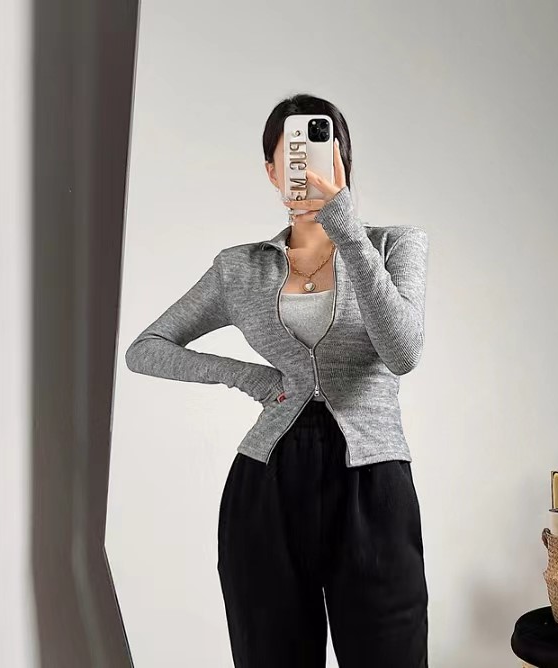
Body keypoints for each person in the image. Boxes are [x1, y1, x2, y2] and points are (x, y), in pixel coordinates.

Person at [125, 93, 430, 668]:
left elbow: (403, 351)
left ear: (342, 162)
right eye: (288, 156)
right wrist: (248, 377)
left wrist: (345, 229)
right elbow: (146, 349)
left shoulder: (393, 245)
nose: (303, 166)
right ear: (270, 170)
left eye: (319, 151)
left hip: (373, 490)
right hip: (266, 487)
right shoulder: (238, 267)